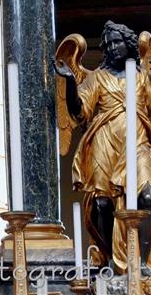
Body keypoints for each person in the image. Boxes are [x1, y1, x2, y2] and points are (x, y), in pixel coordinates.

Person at [55, 21, 151, 272]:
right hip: (104, 141)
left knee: (147, 197)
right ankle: (109, 260)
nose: (112, 48)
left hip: (138, 142)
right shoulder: (97, 77)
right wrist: (70, 83)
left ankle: (141, 262)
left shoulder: (143, 78)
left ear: (129, 44)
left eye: (117, 42)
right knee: (102, 204)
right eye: (108, 45)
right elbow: (79, 112)